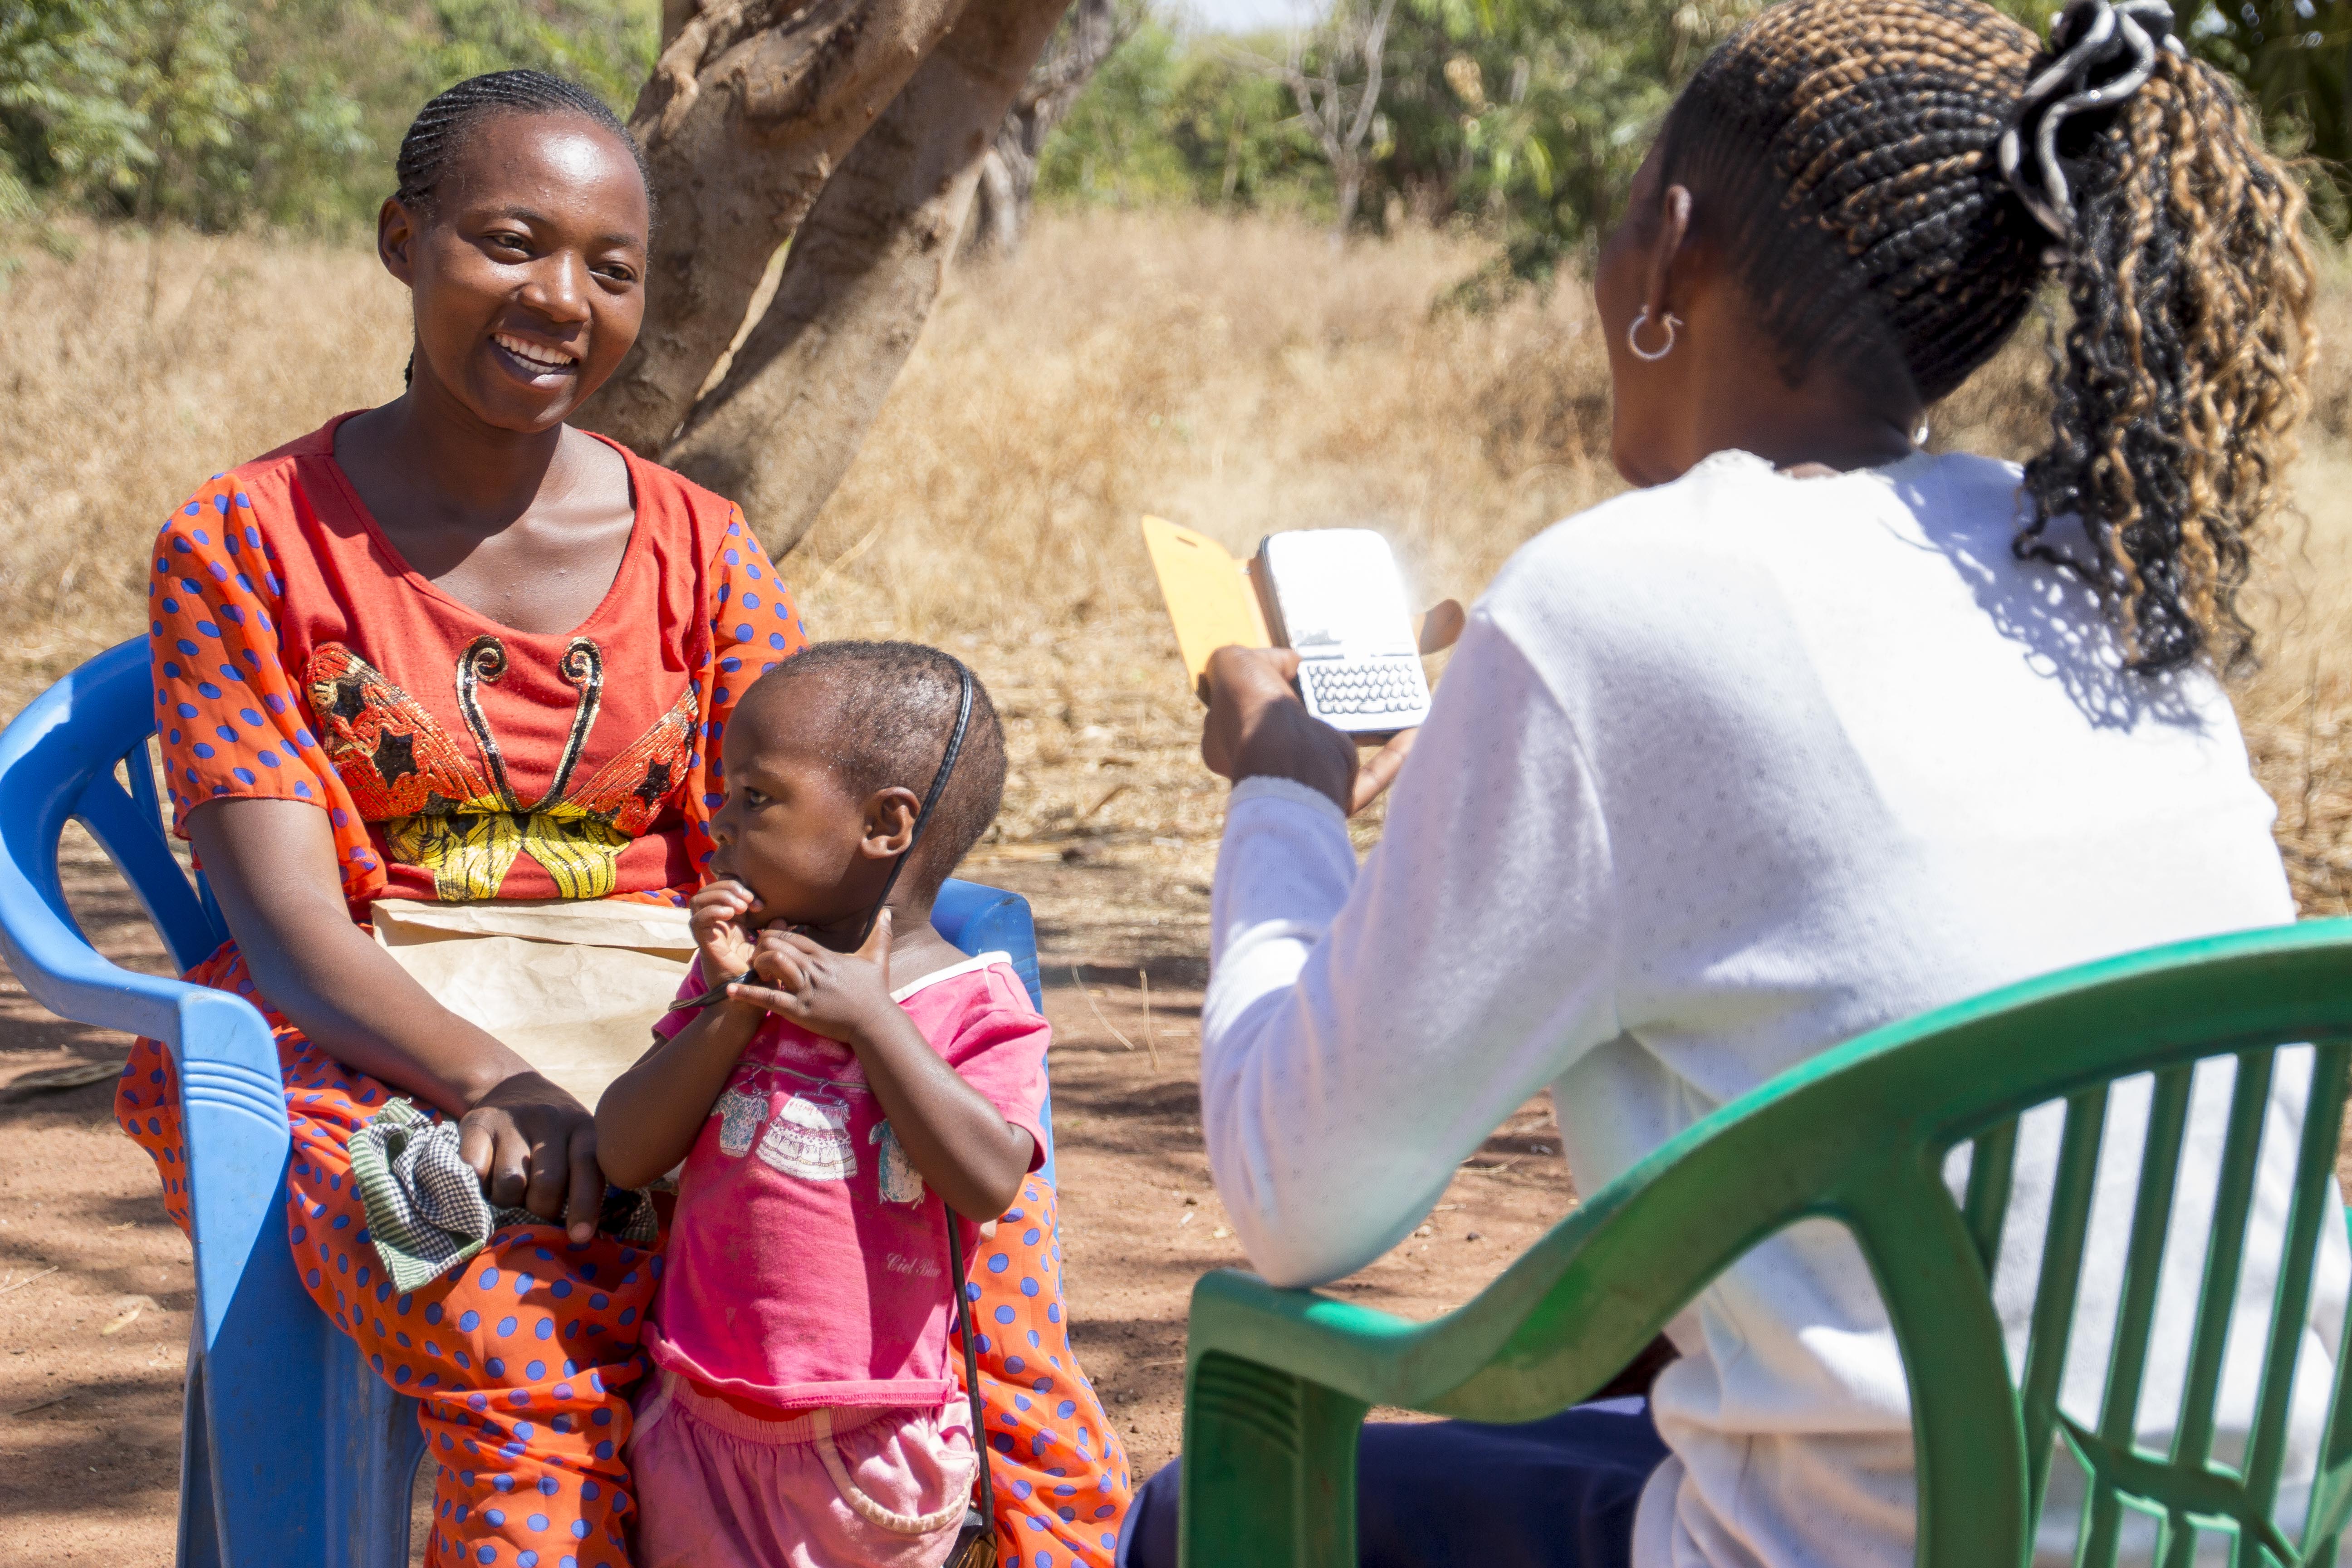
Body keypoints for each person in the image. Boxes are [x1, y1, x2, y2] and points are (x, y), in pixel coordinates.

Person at [1125, 2, 2342, 1565]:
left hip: (1867, 1542)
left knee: (1186, 1518)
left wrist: (1287, 791)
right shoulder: (2100, 575)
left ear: (1671, 249)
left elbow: (1295, 1193)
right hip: (2248, 1533)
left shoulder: (1613, 604)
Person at [116, 71, 1127, 1568]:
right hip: (356, 1054)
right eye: (510, 242)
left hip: (676, 1029)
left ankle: (1041, 1534)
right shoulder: (245, 541)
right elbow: (288, 927)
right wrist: (496, 1081)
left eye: (612, 267)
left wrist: (717, 1052)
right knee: (521, 1347)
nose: (560, 299)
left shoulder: (702, 550)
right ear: (403, 240)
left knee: (959, 1254)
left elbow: (791, 854)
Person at [598, 642, 1056, 1568]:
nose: (719, 823)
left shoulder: (975, 1005)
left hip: (869, 1446)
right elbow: (625, 1151)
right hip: (695, 1419)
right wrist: (732, 1007)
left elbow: (989, 1181)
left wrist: (874, 1022)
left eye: (756, 797)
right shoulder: (734, 981)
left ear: (886, 825)